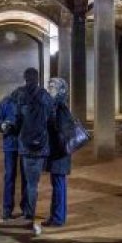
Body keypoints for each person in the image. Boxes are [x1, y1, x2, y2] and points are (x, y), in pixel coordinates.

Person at [9, 67, 54, 233]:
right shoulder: (45, 96)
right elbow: (51, 119)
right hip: (41, 146)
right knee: (34, 183)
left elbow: (14, 119)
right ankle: (30, 212)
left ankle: (29, 213)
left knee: (28, 181)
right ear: (38, 78)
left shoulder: (18, 94)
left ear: (25, 78)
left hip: (25, 146)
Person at [39, 76, 74, 232]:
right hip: (57, 152)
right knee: (57, 184)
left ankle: (58, 218)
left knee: (59, 186)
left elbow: (64, 133)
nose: (49, 89)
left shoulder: (61, 108)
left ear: (61, 90)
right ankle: (56, 216)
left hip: (60, 154)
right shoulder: (54, 106)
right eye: (49, 86)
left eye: (52, 87)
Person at [0, 90, 24, 222]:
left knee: (23, 178)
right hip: (11, 145)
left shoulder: (26, 102)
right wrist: (2, 125)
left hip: (23, 145)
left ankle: (25, 210)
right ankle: (7, 210)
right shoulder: (5, 102)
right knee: (10, 176)